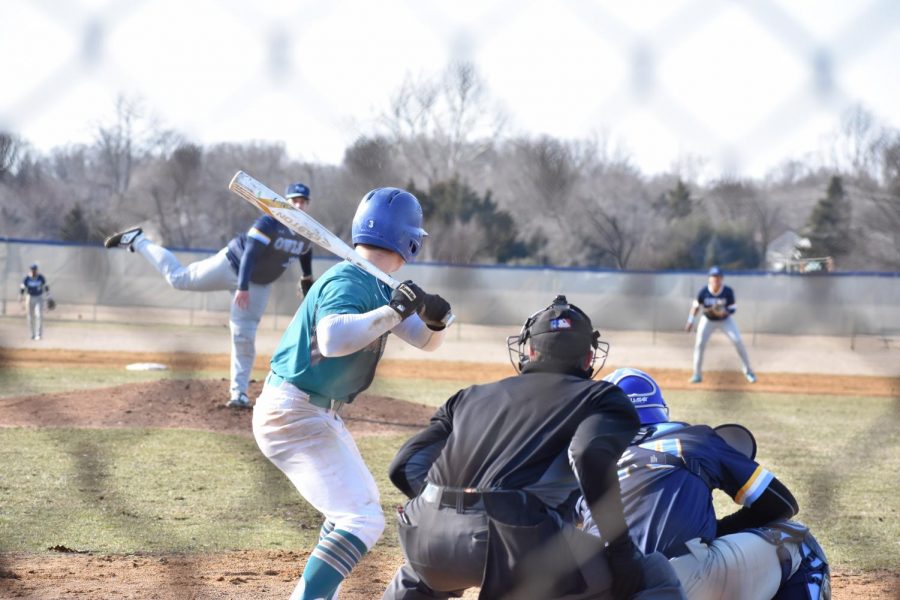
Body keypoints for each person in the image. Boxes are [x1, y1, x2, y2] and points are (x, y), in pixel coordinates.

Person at [383, 295, 686, 600]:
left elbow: (403, 466)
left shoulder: (469, 396)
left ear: (528, 351)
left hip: (426, 532)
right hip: (518, 544)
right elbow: (587, 454)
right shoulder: (600, 396)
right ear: (588, 358)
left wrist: (450, 513)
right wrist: (621, 552)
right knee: (653, 575)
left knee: (416, 575)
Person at [252, 187, 452, 600]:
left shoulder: (379, 285)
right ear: (410, 239)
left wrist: (435, 322)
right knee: (361, 519)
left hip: (312, 412)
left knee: (356, 509)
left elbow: (424, 341)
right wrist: (392, 311)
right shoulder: (349, 278)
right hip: (292, 412)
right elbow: (332, 339)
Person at [579, 368, 830, 600]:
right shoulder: (693, 438)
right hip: (681, 580)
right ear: (660, 410)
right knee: (799, 540)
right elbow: (781, 504)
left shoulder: (586, 461)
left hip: (604, 585)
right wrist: (718, 529)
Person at [104, 181, 317, 408]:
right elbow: (250, 255)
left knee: (244, 335)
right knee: (180, 279)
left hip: (260, 284)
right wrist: (242, 286)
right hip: (232, 265)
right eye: (294, 200)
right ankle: (137, 240)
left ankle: (239, 395)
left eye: (303, 201)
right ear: (284, 202)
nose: (299, 205)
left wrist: (306, 276)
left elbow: (306, 251)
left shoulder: (306, 232)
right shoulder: (269, 223)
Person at [684, 266, 756, 384]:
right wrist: (690, 320)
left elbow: (733, 307)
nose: (715, 279)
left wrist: (724, 312)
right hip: (708, 320)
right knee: (699, 344)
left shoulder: (727, 291)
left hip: (725, 320)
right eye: (713, 277)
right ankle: (697, 374)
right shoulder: (704, 292)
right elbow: (696, 307)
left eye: (718, 277)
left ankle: (748, 371)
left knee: (738, 341)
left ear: (722, 279)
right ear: (709, 279)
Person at [20, 262, 52, 340]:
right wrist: (21, 297)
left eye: (34, 269)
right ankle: (32, 334)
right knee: (30, 316)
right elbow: (22, 288)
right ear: (30, 270)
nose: (33, 271)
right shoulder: (27, 278)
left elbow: (46, 287)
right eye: (32, 269)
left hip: (39, 297)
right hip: (29, 297)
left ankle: (39, 334)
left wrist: (49, 296)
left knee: (39, 315)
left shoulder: (41, 277)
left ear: (37, 270)